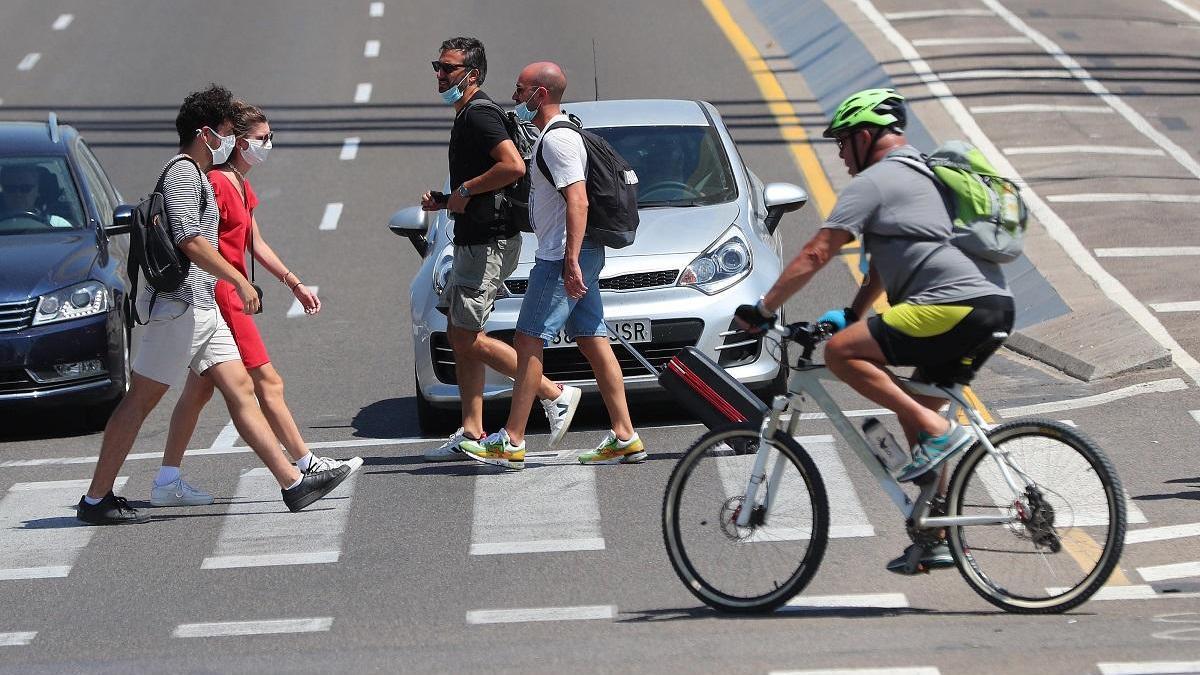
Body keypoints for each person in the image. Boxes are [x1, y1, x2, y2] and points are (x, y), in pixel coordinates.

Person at [735, 88, 1013, 571]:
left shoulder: (876, 182)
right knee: (917, 410)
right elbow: (887, 264)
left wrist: (763, 309)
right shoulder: (924, 172)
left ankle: (936, 429)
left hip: (950, 306)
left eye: (843, 142)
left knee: (843, 355)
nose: (841, 154)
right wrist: (855, 311)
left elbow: (816, 253)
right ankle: (941, 535)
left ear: (865, 137)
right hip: (990, 307)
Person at [77, 85, 351, 525]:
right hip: (179, 308)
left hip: (202, 307)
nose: (230, 140)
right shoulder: (183, 174)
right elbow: (189, 239)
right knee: (140, 401)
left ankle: (294, 483)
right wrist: (239, 279)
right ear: (206, 133)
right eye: (226, 131)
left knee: (242, 389)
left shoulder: (201, 174)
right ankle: (96, 499)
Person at [148, 101, 363, 507]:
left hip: (230, 292)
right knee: (267, 382)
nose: (268, 145)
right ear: (239, 142)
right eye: (262, 139)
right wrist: (240, 282)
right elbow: (197, 240)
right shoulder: (216, 183)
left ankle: (167, 479)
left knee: (198, 393)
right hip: (223, 295)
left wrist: (293, 282)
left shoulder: (240, 184)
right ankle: (306, 463)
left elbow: (254, 242)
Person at [460, 62, 644, 470]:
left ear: (540, 93)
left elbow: (577, 200)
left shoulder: (558, 141)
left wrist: (571, 261)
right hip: (573, 252)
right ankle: (625, 435)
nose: (514, 96)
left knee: (528, 340)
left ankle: (511, 440)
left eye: (520, 88)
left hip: (562, 256)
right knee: (593, 338)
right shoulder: (557, 134)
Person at [420, 37, 580, 461]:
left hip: (488, 241)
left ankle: (554, 392)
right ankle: (472, 429)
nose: (439, 74)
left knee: (465, 336)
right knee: (462, 336)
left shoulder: (479, 116)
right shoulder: (468, 115)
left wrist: (468, 189)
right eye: (437, 66)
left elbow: (513, 165)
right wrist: (450, 197)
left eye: (448, 68)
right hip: (475, 237)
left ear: (471, 75)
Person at [0, 164, 71, 227]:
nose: (18, 194)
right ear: (3, 191)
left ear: (37, 190)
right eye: (10, 189)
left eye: (25, 188)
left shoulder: (57, 225)